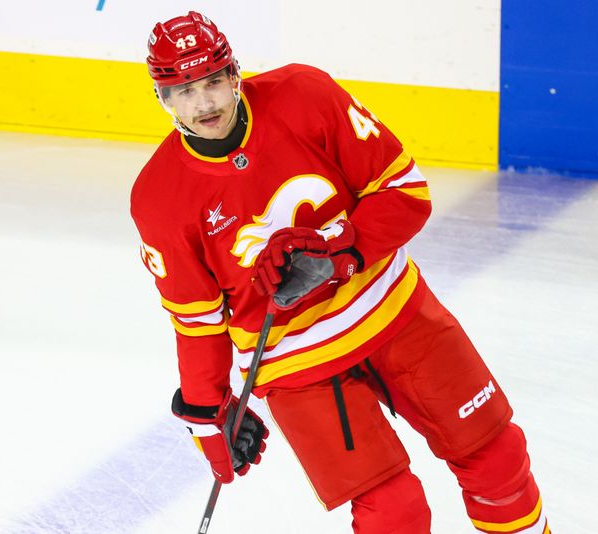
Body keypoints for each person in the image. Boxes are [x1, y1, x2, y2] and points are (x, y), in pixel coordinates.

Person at [131, 11, 551, 534]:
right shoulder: (159, 200)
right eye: (185, 90)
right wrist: (207, 414)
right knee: (393, 511)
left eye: (214, 81)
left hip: (391, 305)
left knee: (497, 457)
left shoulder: (305, 95)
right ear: (163, 99)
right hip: (294, 358)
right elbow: (197, 321)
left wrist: (337, 253)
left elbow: (405, 194)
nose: (205, 103)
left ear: (234, 72)